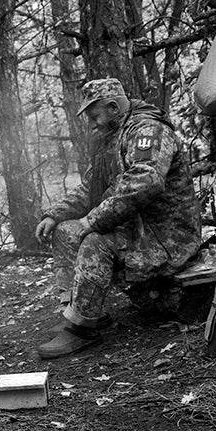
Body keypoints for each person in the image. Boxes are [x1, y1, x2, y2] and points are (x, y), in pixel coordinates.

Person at [35, 77, 201, 359]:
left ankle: (82, 330)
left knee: (95, 241)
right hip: (138, 228)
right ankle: (82, 313)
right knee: (64, 231)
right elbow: (91, 188)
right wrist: (55, 214)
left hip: (166, 237)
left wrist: (93, 221)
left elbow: (145, 183)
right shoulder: (113, 138)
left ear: (113, 107)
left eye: (95, 116)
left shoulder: (148, 130)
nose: (93, 124)